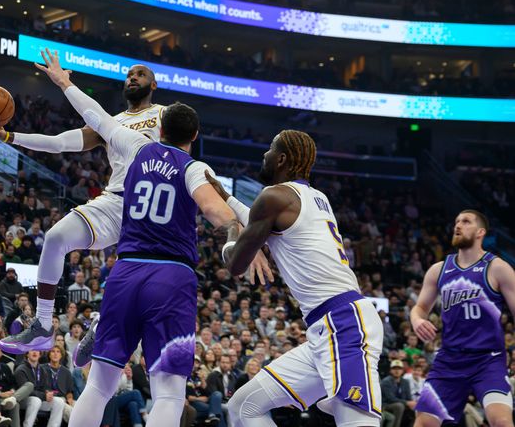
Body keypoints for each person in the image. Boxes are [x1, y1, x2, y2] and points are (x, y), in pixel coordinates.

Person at [25, 50, 241, 427]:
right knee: (170, 393)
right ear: (193, 135)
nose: (132, 77)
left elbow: (91, 112)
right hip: (171, 273)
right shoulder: (193, 167)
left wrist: (63, 81)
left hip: (127, 267)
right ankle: (69, 322)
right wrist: (239, 233)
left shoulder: (133, 144)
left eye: (140, 73)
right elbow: (220, 208)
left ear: (160, 127)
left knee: (98, 386)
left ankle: (84, 321)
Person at [0, 61, 166, 355]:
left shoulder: (163, 114)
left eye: (140, 75)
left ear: (153, 85)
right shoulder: (109, 122)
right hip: (115, 200)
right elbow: (58, 142)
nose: (132, 78)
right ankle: (42, 324)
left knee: (135, 279)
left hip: (151, 206)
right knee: (54, 237)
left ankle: (104, 324)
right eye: (129, 74)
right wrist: (9, 136)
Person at [216, 129, 384, 427]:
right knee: (244, 407)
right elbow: (260, 220)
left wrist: (231, 231)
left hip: (342, 324)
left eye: (269, 149)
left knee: (357, 423)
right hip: (328, 327)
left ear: (281, 159)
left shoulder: (274, 197)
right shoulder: (315, 197)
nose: (264, 155)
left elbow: (235, 265)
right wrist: (226, 197)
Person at [410, 210, 515, 427]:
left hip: (488, 358)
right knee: (424, 422)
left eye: (465, 222)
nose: (458, 225)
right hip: (449, 359)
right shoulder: (438, 270)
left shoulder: (498, 268)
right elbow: (419, 308)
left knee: (501, 421)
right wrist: (417, 320)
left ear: (480, 232)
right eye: (456, 221)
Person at [14, 350, 65, 427]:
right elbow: (25, 391)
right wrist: (44, 396)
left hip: (39, 399)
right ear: (27, 354)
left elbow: (45, 387)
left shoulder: (42, 370)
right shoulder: (20, 369)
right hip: (23, 400)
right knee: (35, 400)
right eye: (32, 350)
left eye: (37, 351)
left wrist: (48, 393)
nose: (35, 352)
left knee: (59, 401)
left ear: (40, 354)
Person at [380, 360, 414, 427]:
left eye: (399, 369)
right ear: (390, 370)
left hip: (400, 403)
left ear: (402, 371)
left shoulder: (405, 382)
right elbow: (390, 398)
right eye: (394, 368)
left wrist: (412, 403)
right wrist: (407, 402)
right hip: (385, 405)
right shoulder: (386, 381)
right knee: (399, 406)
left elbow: (409, 397)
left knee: (416, 407)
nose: (397, 371)